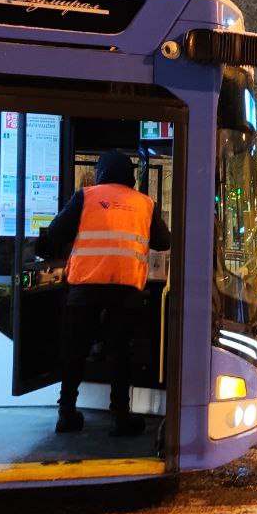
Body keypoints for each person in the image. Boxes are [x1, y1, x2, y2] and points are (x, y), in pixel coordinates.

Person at [39, 150, 171, 436]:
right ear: (131, 176)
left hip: (84, 288)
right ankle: (120, 418)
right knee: (120, 354)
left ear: (101, 172)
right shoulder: (145, 203)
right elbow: (163, 241)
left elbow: (56, 231)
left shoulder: (85, 197)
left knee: (75, 351)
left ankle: (66, 415)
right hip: (126, 291)